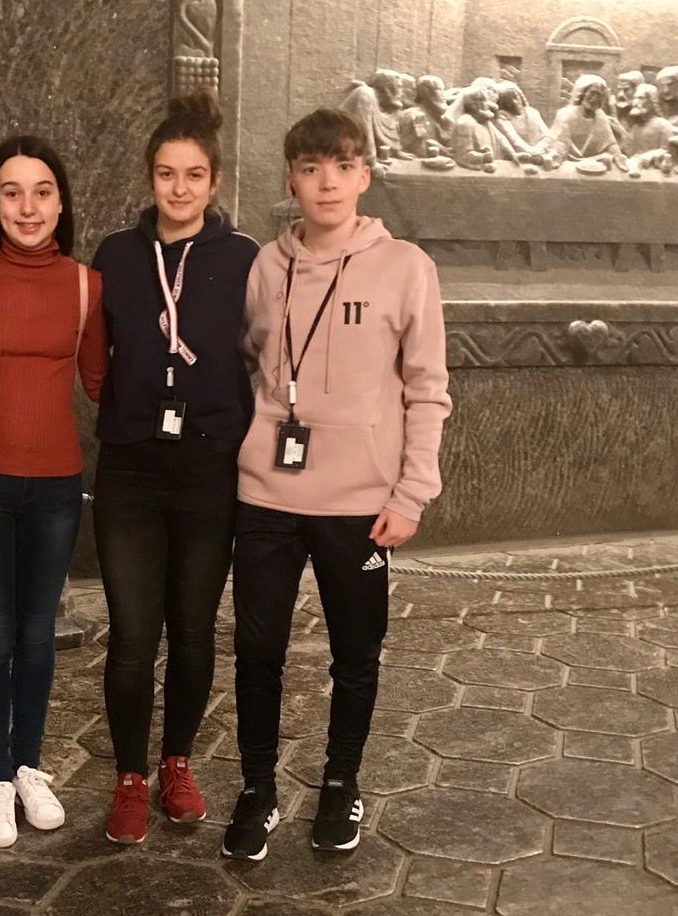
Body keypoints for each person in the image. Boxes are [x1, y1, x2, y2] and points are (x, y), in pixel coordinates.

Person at [222, 109, 451, 861]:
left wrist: (411, 493)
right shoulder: (265, 265)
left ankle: (340, 783)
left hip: (361, 504)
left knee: (356, 654)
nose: (327, 182)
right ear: (291, 179)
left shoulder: (406, 267)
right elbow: (250, 359)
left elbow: (428, 389)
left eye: (343, 167)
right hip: (266, 495)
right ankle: (257, 789)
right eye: (312, 168)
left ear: (365, 177)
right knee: (257, 652)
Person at [91, 89, 259, 844]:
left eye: (194, 175)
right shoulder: (117, 256)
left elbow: (268, 354)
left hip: (208, 469)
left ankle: (177, 764)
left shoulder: (245, 258)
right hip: (130, 469)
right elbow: (93, 351)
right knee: (132, 635)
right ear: (149, 177)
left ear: (214, 181)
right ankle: (130, 776)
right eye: (166, 174)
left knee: (193, 630)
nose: (179, 189)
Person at [0, 136, 109, 849]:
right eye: (12, 192)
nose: (28, 207)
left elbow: (104, 382)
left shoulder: (86, 286)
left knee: (38, 635)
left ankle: (29, 767)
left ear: (61, 202)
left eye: (42, 192)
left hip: (59, 487)